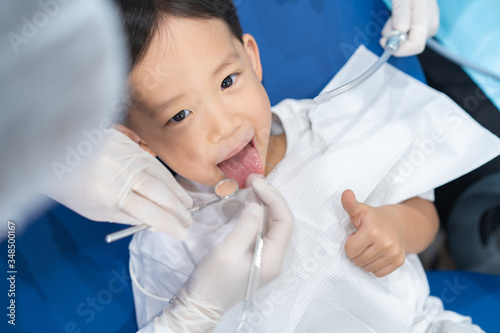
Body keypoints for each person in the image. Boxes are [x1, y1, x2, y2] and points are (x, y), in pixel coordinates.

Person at [110, 0, 496, 331]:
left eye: (228, 81)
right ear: (138, 141)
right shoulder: (167, 239)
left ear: (252, 57)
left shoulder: (326, 125)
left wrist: (395, 226)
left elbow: (423, 213)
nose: (224, 125)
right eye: (180, 115)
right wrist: (201, 310)